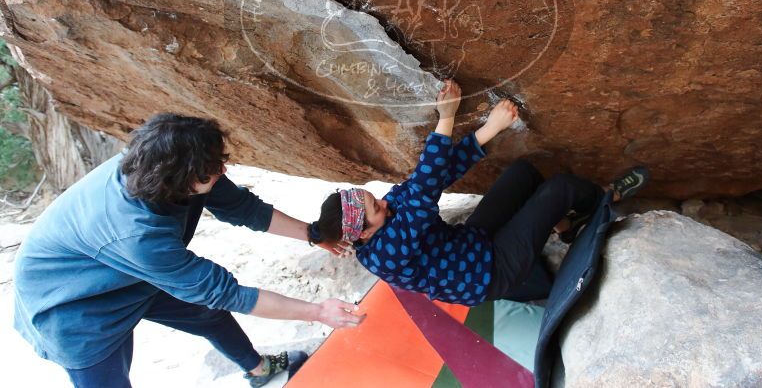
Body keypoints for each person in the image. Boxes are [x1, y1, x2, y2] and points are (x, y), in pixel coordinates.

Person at [13, 113, 363, 388]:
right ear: (177, 180)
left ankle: (259, 371)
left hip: (132, 272)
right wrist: (318, 311)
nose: (222, 171)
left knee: (206, 313)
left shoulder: (178, 160)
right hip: (74, 303)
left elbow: (244, 209)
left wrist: (315, 235)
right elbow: (227, 292)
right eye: (213, 171)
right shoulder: (138, 234)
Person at [308, 80, 649, 305]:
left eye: (373, 197)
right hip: (489, 275)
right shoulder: (385, 254)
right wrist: (448, 118)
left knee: (523, 173)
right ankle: (606, 199)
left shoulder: (387, 212)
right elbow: (424, 190)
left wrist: (487, 133)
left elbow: (434, 176)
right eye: (375, 209)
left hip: (469, 245)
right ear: (364, 233)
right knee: (559, 188)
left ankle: (567, 226)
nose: (383, 202)